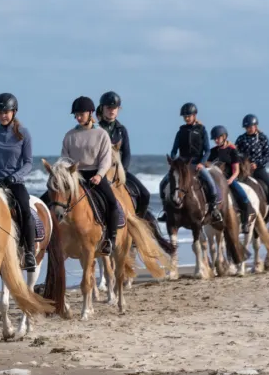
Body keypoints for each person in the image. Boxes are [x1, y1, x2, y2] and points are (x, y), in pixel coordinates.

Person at [0, 92, 37, 271]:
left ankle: (29, 252)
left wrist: (15, 177)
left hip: (14, 181)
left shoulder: (24, 134)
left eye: (7, 112)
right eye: (0, 112)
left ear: (14, 112)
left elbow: (28, 163)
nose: (3, 115)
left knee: (25, 209)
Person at [61, 96, 119, 255]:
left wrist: (100, 176)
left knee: (112, 204)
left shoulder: (101, 134)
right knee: (49, 200)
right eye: (76, 115)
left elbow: (106, 159)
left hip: (95, 176)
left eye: (81, 114)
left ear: (90, 113)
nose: (78, 117)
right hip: (75, 177)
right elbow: (65, 159)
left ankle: (110, 239)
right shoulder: (69, 136)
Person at [158, 102, 222, 223]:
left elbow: (207, 150)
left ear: (194, 115)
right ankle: (166, 210)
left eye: (189, 116)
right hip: (182, 166)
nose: (186, 118)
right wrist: (174, 162)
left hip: (197, 164)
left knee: (211, 182)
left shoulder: (202, 130)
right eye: (185, 116)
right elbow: (173, 150)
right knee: (163, 183)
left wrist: (202, 163)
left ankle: (213, 208)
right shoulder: (180, 131)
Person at [97, 91, 151, 219]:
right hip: (99, 172)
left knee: (145, 194)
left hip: (119, 171)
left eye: (114, 108)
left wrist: (122, 170)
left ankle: (138, 224)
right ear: (102, 109)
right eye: (108, 108)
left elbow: (126, 153)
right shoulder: (96, 129)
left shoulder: (122, 130)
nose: (111, 111)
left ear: (118, 110)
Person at [235, 114, 269, 224]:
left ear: (255, 126)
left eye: (250, 127)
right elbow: (235, 153)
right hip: (244, 170)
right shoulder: (241, 139)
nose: (248, 129)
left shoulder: (263, 138)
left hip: (258, 169)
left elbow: (267, 155)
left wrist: (257, 164)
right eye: (246, 127)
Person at [208, 126, 251, 233]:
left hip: (228, 179)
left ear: (224, 137)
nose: (216, 141)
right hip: (214, 181)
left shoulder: (232, 151)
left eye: (218, 138)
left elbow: (236, 170)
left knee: (243, 197)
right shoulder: (212, 152)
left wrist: (231, 179)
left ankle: (245, 223)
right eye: (215, 139)